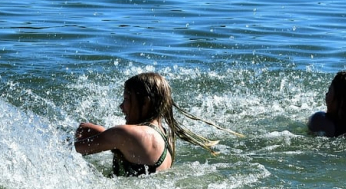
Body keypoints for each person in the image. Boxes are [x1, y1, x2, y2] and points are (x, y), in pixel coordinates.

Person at [74, 72, 239, 177]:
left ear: (145, 103)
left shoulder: (125, 134)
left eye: (126, 100)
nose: (121, 107)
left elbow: (70, 151)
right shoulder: (166, 134)